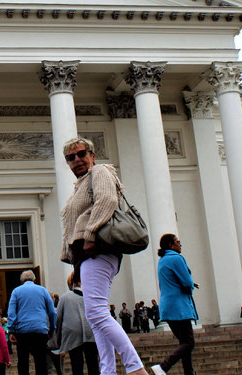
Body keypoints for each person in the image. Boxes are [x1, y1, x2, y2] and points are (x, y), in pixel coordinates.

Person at [60, 136, 150, 375]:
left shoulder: (99, 171)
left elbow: (107, 200)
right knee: (95, 317)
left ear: (92, 155)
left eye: (81, 154)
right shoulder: (81, 184)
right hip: (88, 255)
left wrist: (89, 235)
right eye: (71, 157)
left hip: (97, 249)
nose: (77, 160)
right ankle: (107, 371)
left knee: (97, 313)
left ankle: (135, 367)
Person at [152, 234, 198, 375]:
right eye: (178, 242)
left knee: (184, 343)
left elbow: (170, 280)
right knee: (189, 343)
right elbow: (186, 282)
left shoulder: (163, 260)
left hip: (168, 307)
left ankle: (188, 373)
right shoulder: (176, 258)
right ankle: (163, 366)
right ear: (171, 245)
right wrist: (190, 285)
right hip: (179, 308)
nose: (180, 244)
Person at [7, 269, 56, 375]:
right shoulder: (43, 290)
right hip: (40, 330)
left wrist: (11, 330)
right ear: (35, 280)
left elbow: (11, 313)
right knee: (41, 362)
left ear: (21, 281)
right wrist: (52, 329)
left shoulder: (16, 291)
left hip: (22, 331)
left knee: (23, 362)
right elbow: (52, 312)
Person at [56, 270, 100, 375]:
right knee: (93, 363)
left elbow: (58, 319)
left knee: (76, 364)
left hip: (73, 333)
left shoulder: (64, 297)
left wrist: (58, 338)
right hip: (91, 332)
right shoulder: (93, 296)